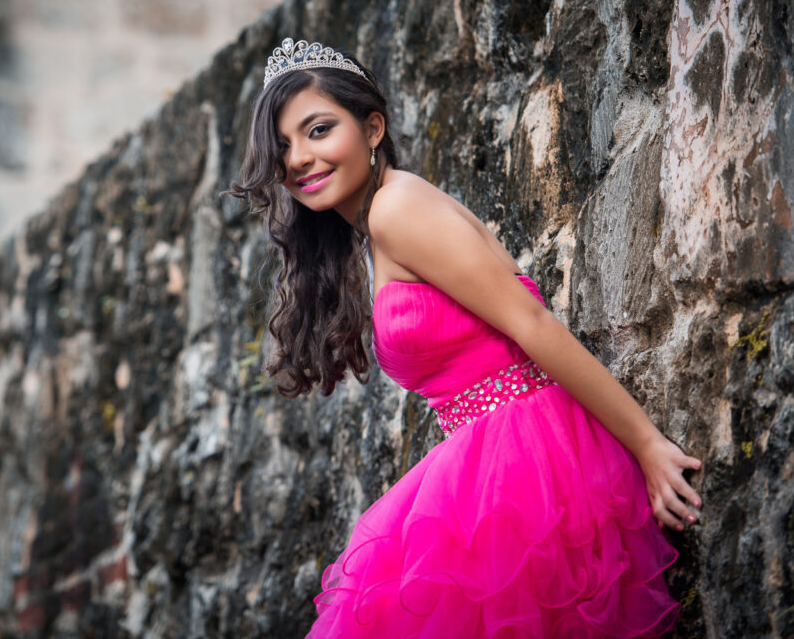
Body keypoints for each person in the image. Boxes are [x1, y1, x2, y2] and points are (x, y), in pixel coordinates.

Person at [226, 37, 703, 638]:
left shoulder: (394, 208)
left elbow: (531, 324)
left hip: (530, 462)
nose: (298, 158)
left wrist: (647, 446)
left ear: (372, 128)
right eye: (284, 146)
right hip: (494, 466)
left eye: (318, 130)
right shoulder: (371, 232)